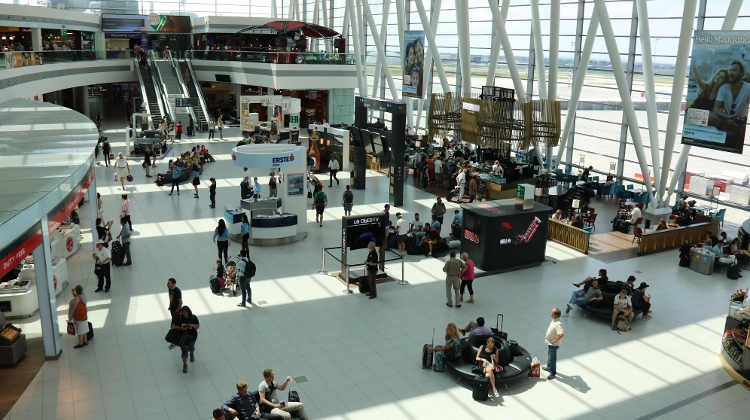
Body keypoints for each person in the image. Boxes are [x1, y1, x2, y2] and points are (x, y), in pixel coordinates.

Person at [711, 60, 750, 129]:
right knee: (710, 115)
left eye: (734, 70)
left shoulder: (748, 88)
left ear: (741, 73)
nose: (730, 73)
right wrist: (728, 117)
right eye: (729, 70)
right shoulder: (724, 88)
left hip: (743, 124)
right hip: (727, 122)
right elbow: (716, 109)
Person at [171, 306, 200, 373]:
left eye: (186, 313)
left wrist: (191, 325)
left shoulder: (193, 317)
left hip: (192, 337)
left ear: (189, 312)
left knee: (191, 347)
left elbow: (198, 326)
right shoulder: (179, 317)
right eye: (183, 313)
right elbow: (174, 326)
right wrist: (180, 328)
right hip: (183, 338)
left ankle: (191, 353)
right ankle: (185, 365)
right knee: (184, 350)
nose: (184, 314)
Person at [544, 307, 564, 380]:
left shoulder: (558, 324)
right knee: (549, 355)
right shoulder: (555, 319)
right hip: (550, 343)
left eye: (552, 313)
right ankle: (549, 367)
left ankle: (552, 373)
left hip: (553, 344)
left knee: (552, 358)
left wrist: (555, 340)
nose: (550, 313)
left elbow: (561, 334)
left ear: (555, 315)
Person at [167, 278, 183, 349]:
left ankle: (174, 341)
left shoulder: (177, 291)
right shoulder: (170, 289)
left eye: (169, 283)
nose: (167, 284)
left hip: (176, 311)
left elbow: (180, 302)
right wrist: (170, 306)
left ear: (173, 284)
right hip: (172, 309)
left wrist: (177, 310)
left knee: (173, 326)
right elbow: (171, 298)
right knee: (177, 323)